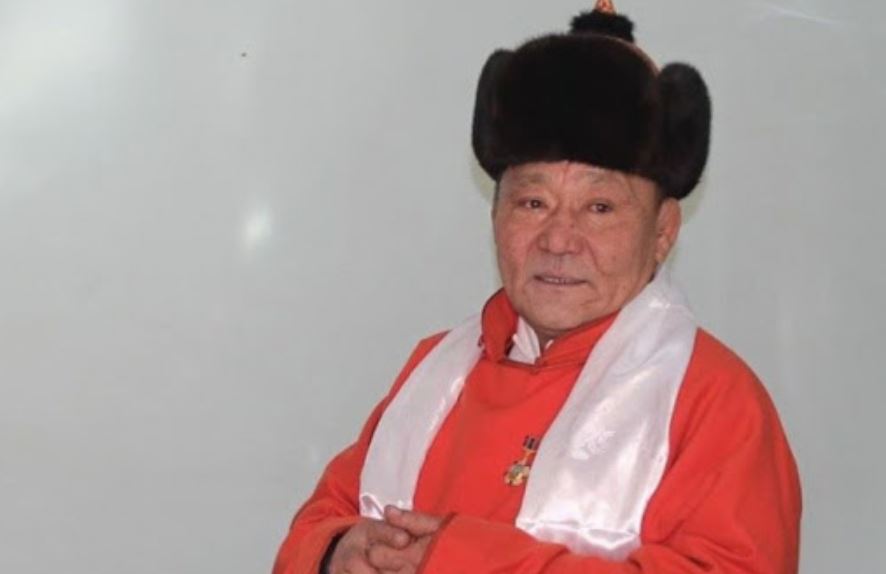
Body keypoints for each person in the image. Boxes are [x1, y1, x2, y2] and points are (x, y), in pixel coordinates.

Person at [272, 1, 802, 572]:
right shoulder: (436, 368)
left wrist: (465, 561)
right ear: (495, 215)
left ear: (663, 232)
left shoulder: (715, 399)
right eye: (532, 203)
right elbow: (321, 520)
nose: (559, 240)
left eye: (599, 208)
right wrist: (338, 551)